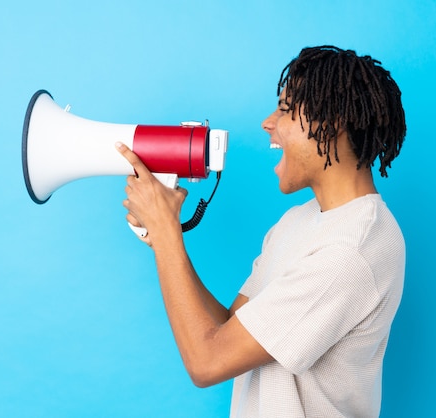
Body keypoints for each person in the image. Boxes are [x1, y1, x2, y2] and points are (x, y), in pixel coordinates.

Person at [115, 45, 407, 418]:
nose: (268, 122)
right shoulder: (298, 222)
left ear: (330, 122)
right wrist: (164, 237)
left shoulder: (353, 249)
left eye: (286, 109)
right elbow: (228, 331)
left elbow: (207, 363)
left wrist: (166, 233)